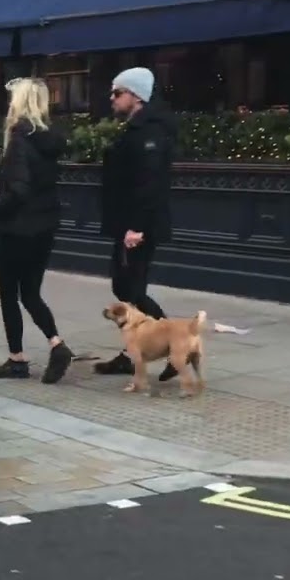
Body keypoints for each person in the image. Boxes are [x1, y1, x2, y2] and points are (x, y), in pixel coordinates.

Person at [0, 77, 74, 384]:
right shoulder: (48, 138)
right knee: (31, 293)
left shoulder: (19, 138)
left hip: (17, 229)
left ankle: (17, 359)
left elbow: (19, 189)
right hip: (44, 227)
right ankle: (56, 344)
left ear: (19, 102)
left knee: (9, 294)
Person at [93, 66, 178, 380]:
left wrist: (137, 228)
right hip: (126, 224)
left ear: (136, 96)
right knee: (124, 288)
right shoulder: (137, 129)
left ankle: (174, 343)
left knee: (133, 289)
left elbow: (149, 184)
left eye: (118, 93)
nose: (112, 99)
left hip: (137, 227)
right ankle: (132, 352)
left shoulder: (149, 134)